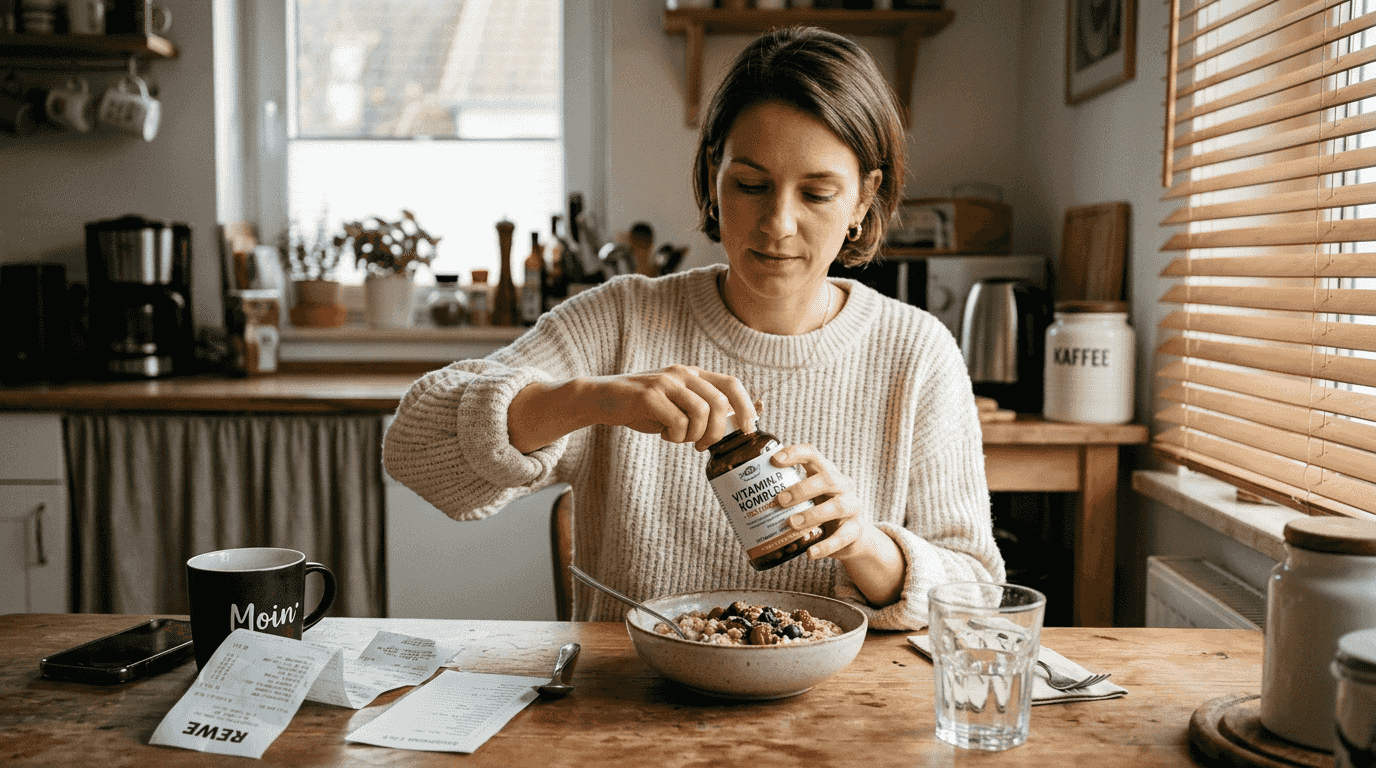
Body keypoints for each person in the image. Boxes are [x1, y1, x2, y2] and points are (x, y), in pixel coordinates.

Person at [383, 26, 1004, 630]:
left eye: (816, 194)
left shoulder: (917, 352)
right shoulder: (620, 320)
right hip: (631, 702)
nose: (779, 223)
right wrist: (592, 398)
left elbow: (976, 590)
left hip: (840, 709)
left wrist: (863, 542)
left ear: (863, 201)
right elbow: (413, 451)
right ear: (714, 176)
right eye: (751, 185)